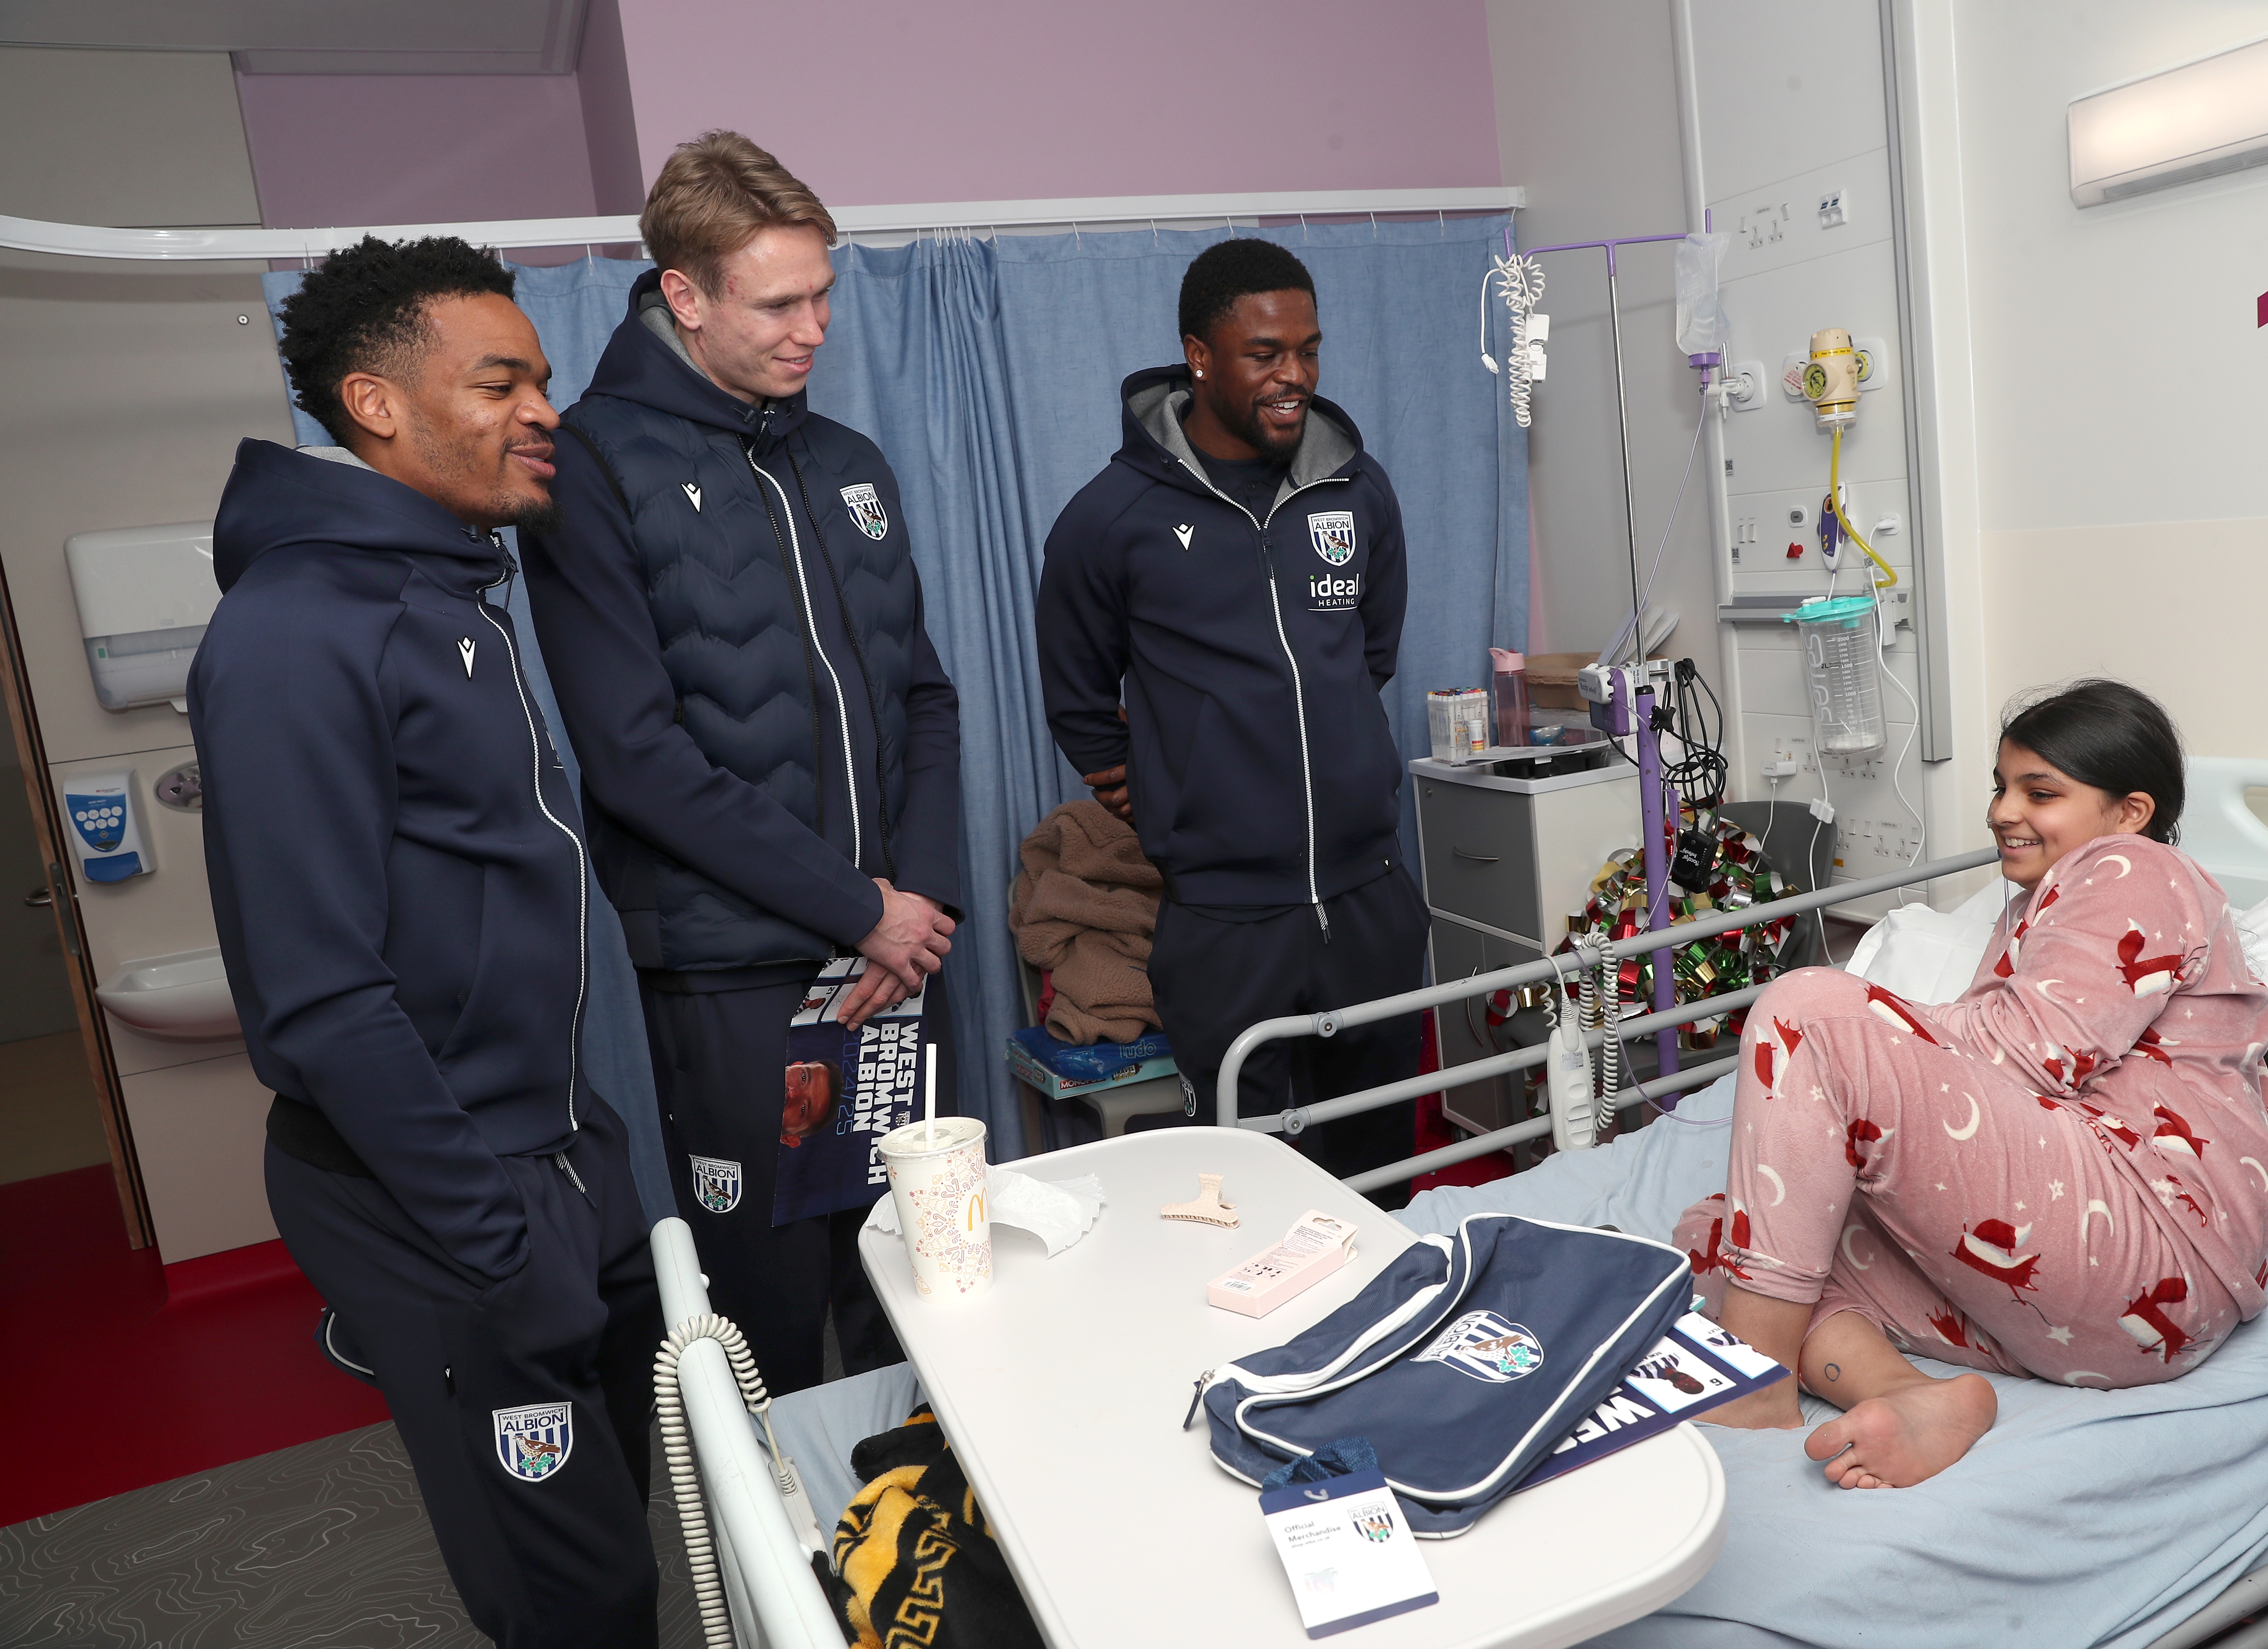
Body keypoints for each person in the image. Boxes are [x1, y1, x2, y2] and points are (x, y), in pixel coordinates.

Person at [193, 236, 660, 1646]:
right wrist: (496, 1242)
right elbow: (322, 1000)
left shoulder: (448, 594)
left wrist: (588, 1168)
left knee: (619, 1539)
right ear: (377, 405)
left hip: (549, 1157)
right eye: (501, 380)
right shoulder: (293, 634)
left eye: (544, 379)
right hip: (442, 1199)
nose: (544, 411)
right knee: (571, 1600)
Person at [522, 131, 961, 1390]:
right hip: (739, 977)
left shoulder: (846, 465)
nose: (814, 327)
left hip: (898, 957)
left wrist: (916, 906)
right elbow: (638, 758)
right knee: (772, 1315)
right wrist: (855, 909)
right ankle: (789, 1579)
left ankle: (925, 1563)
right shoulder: (594, 468)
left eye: (824, 293)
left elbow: (924, 693)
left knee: (918, 1284)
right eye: (779, 302)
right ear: (686, 295)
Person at [1682, 680, 2268, 1488]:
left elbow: (2030, 1054)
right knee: (1721, 1229)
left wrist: (1863, 1041)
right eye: (2002, 788)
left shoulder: (2138, 868)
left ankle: (1755, 1383)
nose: (2003, 811)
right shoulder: (2034, 911)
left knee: (1809, 1011)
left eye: (2040, 792)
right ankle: (1909, 1396)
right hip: (2076, 1326)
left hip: (2152, 1254)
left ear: (2131, 812)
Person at [1036, 237, 1426, 1183]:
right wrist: (1177, 797)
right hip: (1224, 925)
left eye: (1309, 350)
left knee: (1382, 1174)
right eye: (1264, 354)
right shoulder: (1110, 518)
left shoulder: (1356, 489)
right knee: (1255, 1193)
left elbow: (1369, 653)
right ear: (1200, 356)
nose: (1294, 376)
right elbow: (1077, 697)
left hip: (1368, 897)